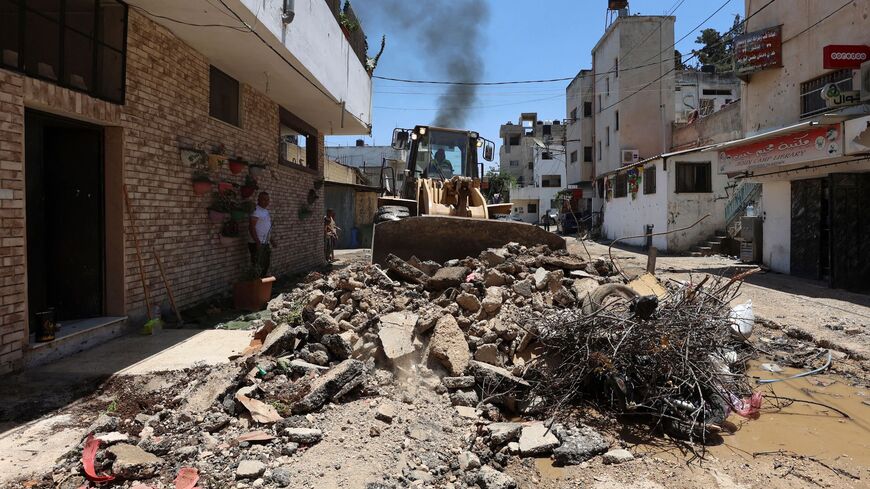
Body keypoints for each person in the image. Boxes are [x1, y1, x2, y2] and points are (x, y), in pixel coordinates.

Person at [248, 191, 276, 277]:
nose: (266, 202)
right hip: (256, 243)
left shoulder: (266, 211)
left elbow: (266, 228)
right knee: (258, 265)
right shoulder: (256, 211)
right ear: (258, 199)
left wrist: (271, 240)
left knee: (265, 264)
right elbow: (251, 227)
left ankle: (261, 285)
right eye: (264, 199)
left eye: (267, 200)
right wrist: (257, 242)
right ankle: (256, 286)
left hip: (265, 243)